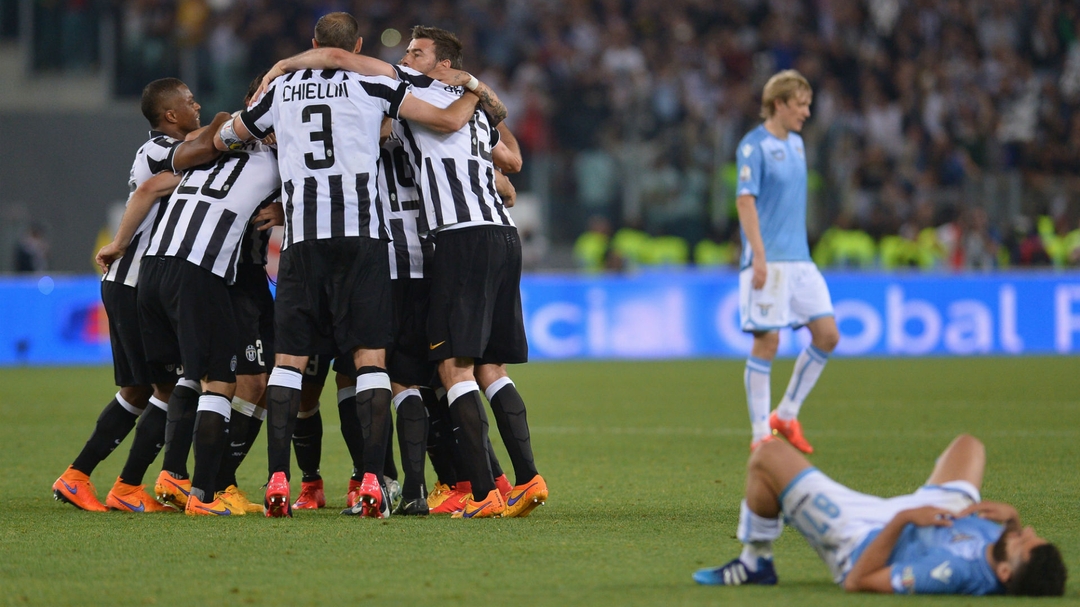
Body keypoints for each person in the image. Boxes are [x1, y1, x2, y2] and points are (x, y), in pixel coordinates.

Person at [218, 12, 486, 518]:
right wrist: (476, 93)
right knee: (370, 362)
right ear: (359, 45)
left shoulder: (281, 91)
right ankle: (370, 481)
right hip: (363, 239)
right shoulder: (375, 84)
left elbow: (231, 135)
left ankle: (278, 479)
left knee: (290, 364)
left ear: (314, 43)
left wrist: (251, 125)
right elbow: (434, 120)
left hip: (302, 240)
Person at [53, 78, 227, 513]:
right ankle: (129, 483)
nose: (197, 105)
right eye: (189, 102)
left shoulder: (170, 150)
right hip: (135, 283)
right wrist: (230, 124)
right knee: (172, 386)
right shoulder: (157, 151)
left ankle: (82, 477)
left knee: (140, 389)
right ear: (170, 115)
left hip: (139, 283)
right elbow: (197, 155)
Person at [693, 435, 1067, 596]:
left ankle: (756, 562)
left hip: (864, 535)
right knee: (970, 445)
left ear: (1004, 573)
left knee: (767, 456)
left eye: (1021, 540)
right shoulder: (1002, 559)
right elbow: (1009, 547)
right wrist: (1012, 520)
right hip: (935, 516)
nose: (1025, 529)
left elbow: (858, 581)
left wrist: (903, 519)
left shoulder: (948, 573)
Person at [734, 70, 839, 453]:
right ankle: (761, 434)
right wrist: (758, 257)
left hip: (800, 261)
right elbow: (745, 201)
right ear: (778, 104)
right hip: (769, 261)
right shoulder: (753, 146)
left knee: (828, 335)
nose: (807, 112)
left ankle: (787, 415)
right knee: (768, 342)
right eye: (800, 104)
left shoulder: (797, 144)